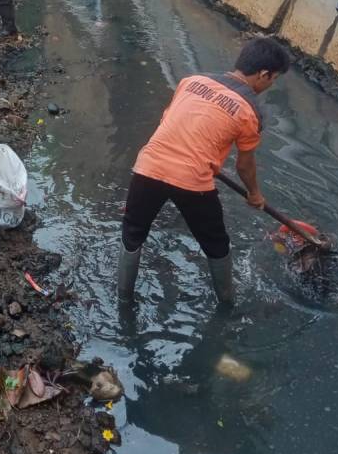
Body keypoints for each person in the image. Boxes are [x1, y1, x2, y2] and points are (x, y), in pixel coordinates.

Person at [118, 37, 291, 307]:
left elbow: (169, 122)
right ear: (264, 74)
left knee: (132, 233)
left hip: (148, 166)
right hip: (192, 180)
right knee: (216, 243)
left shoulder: (191, 81)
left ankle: (123, 298)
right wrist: (255, 194)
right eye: (274, 79)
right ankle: (228, 304)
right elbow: (244, 165)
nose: (271, 85)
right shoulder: (251, 111)